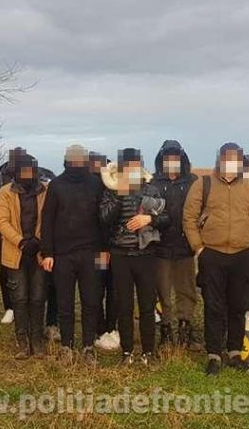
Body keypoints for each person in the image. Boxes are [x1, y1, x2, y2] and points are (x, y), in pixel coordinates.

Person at [182, 143, 249, 375]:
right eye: (227, 158)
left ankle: (235, 352)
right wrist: (199, 248)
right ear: (219, 160)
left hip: (243, 256)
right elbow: (189, 217)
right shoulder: (203, 184)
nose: (231, 163)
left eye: (235, 159)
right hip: (212, 255)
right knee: (214, 305)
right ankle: (214, 354)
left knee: (238, 305)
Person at [40, 145, 106, 365]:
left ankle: (88, 346)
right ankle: (67, 346)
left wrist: (105, 251)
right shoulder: (57, 185)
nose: (77, 165)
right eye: (73, 162)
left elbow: (103, 220)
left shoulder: (97, 184)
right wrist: (47, 253)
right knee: (65, 303)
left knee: (91, 302)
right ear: (66, 162)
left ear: (85, 162)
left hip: (92, 253)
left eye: (81, 162)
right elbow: (47, 220)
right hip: (63, 255)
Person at [99, 148, 164, 366]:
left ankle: (149, 352)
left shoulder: (151, 189)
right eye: (127, 166)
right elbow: (104, 219)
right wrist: (119, 193)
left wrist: (150, 220)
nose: (131, 169)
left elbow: (167, 219)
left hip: (146, 255)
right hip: (121, 255)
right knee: (123, 305)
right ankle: (127, 352)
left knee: (147, 306)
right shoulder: (111, 189)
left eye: (135, 165)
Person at [0, 153, 49, 359]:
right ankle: (22, 341)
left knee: (38, 297)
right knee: (19, 297)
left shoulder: (45, 190)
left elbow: (49, 217)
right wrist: (20, 241)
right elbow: (2, 221)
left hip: (38, 251)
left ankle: (37, 340)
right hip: (15, 251)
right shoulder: (5, 192)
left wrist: (37, 240)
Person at [150, 140, 199, 348]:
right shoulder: (153, 183)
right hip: (160, 248)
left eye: (176, 157)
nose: (172, 161)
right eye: (168, 158)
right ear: (162, 160)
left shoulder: (193, 183)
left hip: (185, 247)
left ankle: (185, 329)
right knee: (162, 291)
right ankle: (166, 331)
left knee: (186, 291)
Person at [0, 147, 28, 326]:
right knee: (6, 270)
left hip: (28, 234)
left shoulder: (33, 178)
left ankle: (26, 305)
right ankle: (9, 307)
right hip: (6, 234)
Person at [88, 151, 118, 345]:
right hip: (98, 249)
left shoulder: (113, 185)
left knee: (114, 289)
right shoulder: (89, 187)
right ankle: (100, 330)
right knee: (98, 289)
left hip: (115, 248)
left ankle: (111, 327)